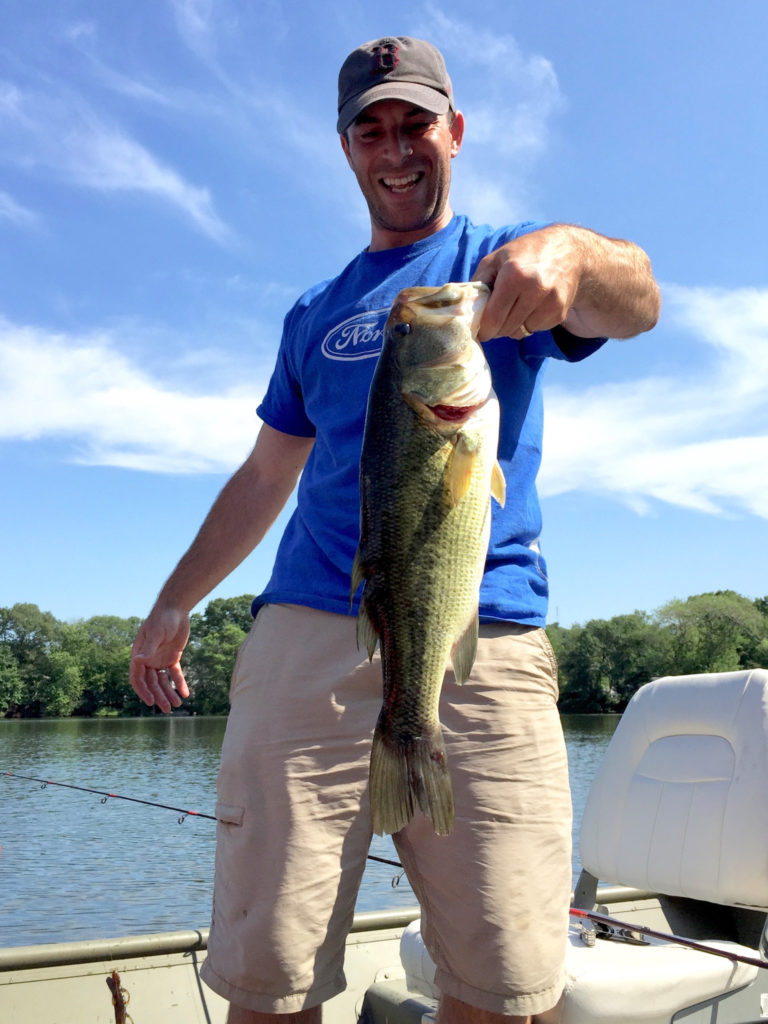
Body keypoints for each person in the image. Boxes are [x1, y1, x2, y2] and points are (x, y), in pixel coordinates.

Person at [129, 36, 660, 1024]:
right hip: (307, 626)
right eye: (369, 128)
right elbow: (264, 473)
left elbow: (641, 299)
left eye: (415, 122)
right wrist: (172, 600)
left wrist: (578, 253)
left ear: (454, 131)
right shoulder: (313, 311)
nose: (395, 146)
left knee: (505, 980)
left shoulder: (504, 266)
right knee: (267, 972)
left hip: (483, 622)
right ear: (345, 149)